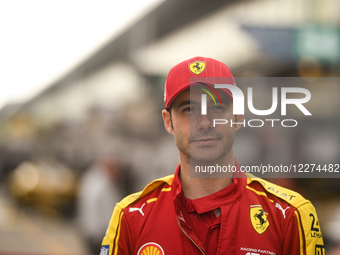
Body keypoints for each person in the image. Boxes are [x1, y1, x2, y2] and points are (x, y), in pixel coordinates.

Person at [100, 57, 324, 255]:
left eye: (216, 107)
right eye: (189, 109)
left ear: (237, 117)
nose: (205, 122)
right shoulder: (131, 217)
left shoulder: (290, 216)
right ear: (168, 121)